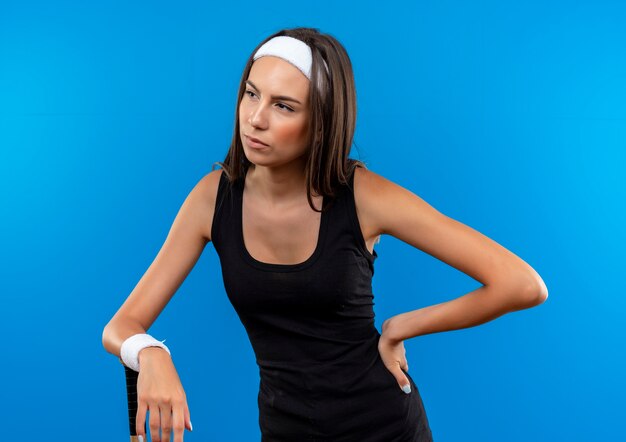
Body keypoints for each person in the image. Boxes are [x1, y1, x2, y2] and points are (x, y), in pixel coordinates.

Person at [102, 27, 548, 442]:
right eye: (251, 94)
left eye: (284, 106)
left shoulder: (365, 197)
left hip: (385, 426)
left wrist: (400, 326)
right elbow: (121, 326)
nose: (256, 118)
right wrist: (150, 353)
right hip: (285, 428)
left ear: (321, 122)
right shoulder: (211, 199)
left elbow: (522, 284)